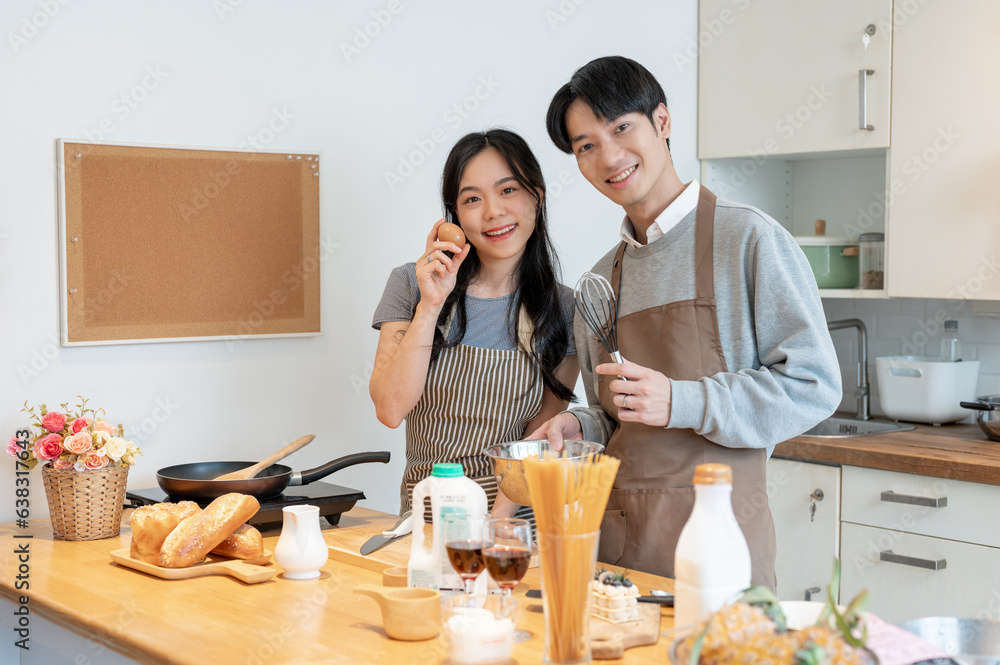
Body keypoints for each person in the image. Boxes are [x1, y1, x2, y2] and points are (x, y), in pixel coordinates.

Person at [530, 56, 841, 588]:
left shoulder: (748, 240)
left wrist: (682, 401)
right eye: (586, 146)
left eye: (621, 128)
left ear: (663, 122)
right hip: (623, 554)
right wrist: (582, 424)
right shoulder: (600, 281)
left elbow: (814, 386)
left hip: (723, 551)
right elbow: (621, 417)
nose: (609, 156)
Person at [370, 129, 579, 518]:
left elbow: (538, 444)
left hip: (513, 525)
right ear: (455, 214)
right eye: (472, 199)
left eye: (508, 190)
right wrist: (431, 304)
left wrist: (492, 527)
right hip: (426, 518)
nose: (493, 212)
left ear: (538, 194)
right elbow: (390, 407)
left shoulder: (564, 307)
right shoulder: (411, 285)